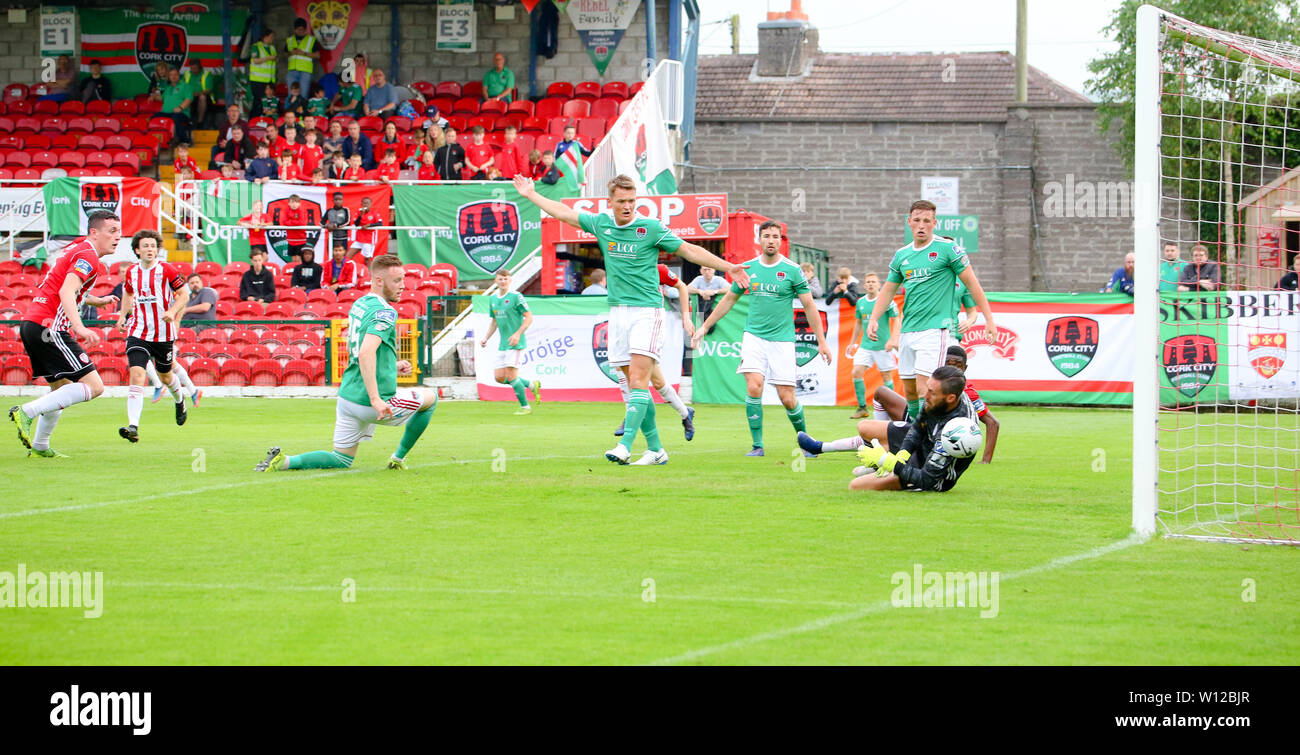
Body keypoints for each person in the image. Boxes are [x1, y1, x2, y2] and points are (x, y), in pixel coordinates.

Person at [514, 173, 750, 465]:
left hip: (647, 313)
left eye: (632, 200)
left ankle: (625, 446)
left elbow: (688, 250)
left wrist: (729, 267)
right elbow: (563, 213)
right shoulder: (601, 223)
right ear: (610, 202)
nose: (628, 206)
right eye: (622, 201)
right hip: (618, 314)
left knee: (638, 381)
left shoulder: (649, 227)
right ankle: (656, 450)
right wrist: (531, 195)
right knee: (632, 382)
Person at [256, 255, 438, 472]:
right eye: (397, 281)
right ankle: (397, 458)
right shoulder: (386, 312)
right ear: (379, 281)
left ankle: (283, 462)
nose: (403, 286)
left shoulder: (360, 303)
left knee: (341, 459)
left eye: (403, 279)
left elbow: (362, 348)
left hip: (347, 397)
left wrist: (392, 365)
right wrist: (376, 399)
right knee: (432, 399)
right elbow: (365, 352)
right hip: (371, 402)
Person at [691, 221, 830, 457]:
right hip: (753, 337)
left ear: (780, 240)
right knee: (754, 386)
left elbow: (809, 305)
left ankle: (806, 442)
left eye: (775, 236)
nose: (771, 240)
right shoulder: (748, 269)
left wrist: (822, 342)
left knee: (787, 397)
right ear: (760, 239)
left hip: (783, 341)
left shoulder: (792, 269)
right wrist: (704, 326)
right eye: (766, 236)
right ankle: (757, 446)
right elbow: (728, 300)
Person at [867, 199, 997, 423]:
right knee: (909, 393)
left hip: (936, 331)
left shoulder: (947, 249)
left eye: (927, 220)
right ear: (909, 222)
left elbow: (973, 284)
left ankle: (926, 440)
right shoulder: (902, 255)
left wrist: (989, 320)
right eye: (916, 220)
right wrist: (874, 318)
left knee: (923, 390)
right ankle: (916, 437)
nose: (921, 225)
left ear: (934, 223)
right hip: (908, 331)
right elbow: (888, 290)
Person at [9, 211, 122, 459]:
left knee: (61, 388)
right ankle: (26, 411)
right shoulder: (88, 256)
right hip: (50, 327)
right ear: (94, 232)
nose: (118, 237)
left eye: (119, 231)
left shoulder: (77, 249)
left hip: (32, 323)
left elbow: (64, 287)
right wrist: (79, 327)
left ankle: (40, 446)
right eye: (112, 231)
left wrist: (97, 300)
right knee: (95, 386)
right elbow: (67, 291)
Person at [799, 344, 999, 466]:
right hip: (919, 421)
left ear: (965, 368)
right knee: (880, 393)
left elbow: (992, 423)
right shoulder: (936, 382)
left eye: (958, 366)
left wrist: (985, 460)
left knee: (871, 430)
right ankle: (877, 444)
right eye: (948, 363)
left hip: (929, 435)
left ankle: (822, 447)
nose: (953, 368)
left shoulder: (966, 393)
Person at [847, 366, 981, 492]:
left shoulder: (955, 430)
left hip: (930, 474)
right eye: (927, 388)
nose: (925, 396)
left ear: (951, 398)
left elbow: (927, 478)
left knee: (856, 485)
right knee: (865, 427)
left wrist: (889, 462)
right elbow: (917, 427)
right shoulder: (939, 398)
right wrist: (903, 453)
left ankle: (885, 466)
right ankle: (882, 466)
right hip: (924, 444)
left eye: (932, 393)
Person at [114, 230, 191, 442]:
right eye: (145, 246)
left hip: (163, 334)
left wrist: (172, 311)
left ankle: (179, 398)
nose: (150, 249)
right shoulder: (131, 272)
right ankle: (133, 426)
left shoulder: (166, 270)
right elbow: (128, 294)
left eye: (153, 246)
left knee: (165, 376)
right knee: (137, 374)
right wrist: (123, 316)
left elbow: (184, 294)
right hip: (138, 331)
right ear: (137, 250)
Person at [612, 264, 696, 441]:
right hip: (626, 324)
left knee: (652, 381)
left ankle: (632, 422)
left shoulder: (659, 269)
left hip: (649, 326)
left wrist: (686, 317)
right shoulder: (624, 266)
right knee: (626, 371)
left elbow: (681, 286)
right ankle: (685, 412)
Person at [480, 269, 542, 415]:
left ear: (510, 280)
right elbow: (494, 321)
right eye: (500, 279)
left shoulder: (516, 296)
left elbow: (529, 317)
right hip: (503, 344)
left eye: (506, 279)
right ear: (496, 281)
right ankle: (531, 385)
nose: (503, 281)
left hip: (515, 343)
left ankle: (525, 407)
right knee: (500, 378)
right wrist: (486, 338)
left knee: (512, 376)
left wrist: (518, 334)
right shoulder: (493, 299)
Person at [848, 272, 899, 419]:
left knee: (886, 376)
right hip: (865, 346)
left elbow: (896, 319)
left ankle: (892, 409)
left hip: (883, 346)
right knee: (856, 372)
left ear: (879, 285)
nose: (870, 284)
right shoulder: (861, 302)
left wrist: (893, 339)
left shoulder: (886, 301)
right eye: (868, 282)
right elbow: (858, 323)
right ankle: (862, 408)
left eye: (873, 282)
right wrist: (852, 343)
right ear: (864, 285)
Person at [285, 17, 319, 97]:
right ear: (294, 29)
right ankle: (291, 109)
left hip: (305, 71)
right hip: (292, 71)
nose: (300, 31)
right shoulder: (289, 40)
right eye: (298, 29)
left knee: (303, 94)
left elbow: (317, 55)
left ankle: (302, 109)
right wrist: (291, 53)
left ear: (305, 29)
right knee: (291, 95)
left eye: (302, 29)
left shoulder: (311, 39)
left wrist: (304, 53)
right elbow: (284, 53)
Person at [160, 67, 194, 146]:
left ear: (179, 75)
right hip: (166, 113)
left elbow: (189, 99)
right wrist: (153, 96)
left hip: (182, 113)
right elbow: (161, 97)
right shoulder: (168, 88)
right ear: (169, 77)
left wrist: (181, 108)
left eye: (175, 74)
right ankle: (160, 142)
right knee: (154, 118)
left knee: (175, 118)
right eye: (171, 75)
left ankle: (184, 141)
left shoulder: (185, 86)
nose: (173, 76)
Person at [275, 194, 313, 263]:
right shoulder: (287, 210)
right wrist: (294, 222)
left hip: (300, 239)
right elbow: (283, 221)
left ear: (299, 203)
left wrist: (290, 222)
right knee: (293, 259)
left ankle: (299, 272)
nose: (294, 204)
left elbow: (301, 222)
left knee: (299, 259)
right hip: (291, 239)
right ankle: (294, 272)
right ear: (289, 203)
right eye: (292, 202)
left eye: (296, 202)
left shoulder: (301, 210)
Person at [249, 28, 278, 118]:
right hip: (258, 80)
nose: (272, 39)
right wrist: (268, 58)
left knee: (268, 102)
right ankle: (254, 119)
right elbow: (255, 60)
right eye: (271, 37)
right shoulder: (256, 46)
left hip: (269, 80)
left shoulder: (272, 48)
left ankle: (265, 119)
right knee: (259, 101)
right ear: (265, 37)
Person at [183, 61, 216, 129]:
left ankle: (200, 121)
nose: (193, 70)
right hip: (190, 96)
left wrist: (198, 93)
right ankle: (188, 120)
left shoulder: (206, 74)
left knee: (202, 97)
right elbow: (182, 86)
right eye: (191, 68)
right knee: (186, 98)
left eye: (195, 68)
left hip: (205, 97)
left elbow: (208, 90)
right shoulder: (187, 74)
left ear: (200, 67)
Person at [349, 197, 383, 262]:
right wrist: (360, 215)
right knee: (348, 256)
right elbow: (356, 224)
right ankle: (350, 270)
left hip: (368, 239)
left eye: (367, 203)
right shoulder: (359, 212)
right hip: (359, 239)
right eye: (364, 203)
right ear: (361, 204)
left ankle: (370, 272)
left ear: (371, 204)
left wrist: (369, 225)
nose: (365, 205)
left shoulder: (374, 213)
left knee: (367, 259)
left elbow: (380, 223)